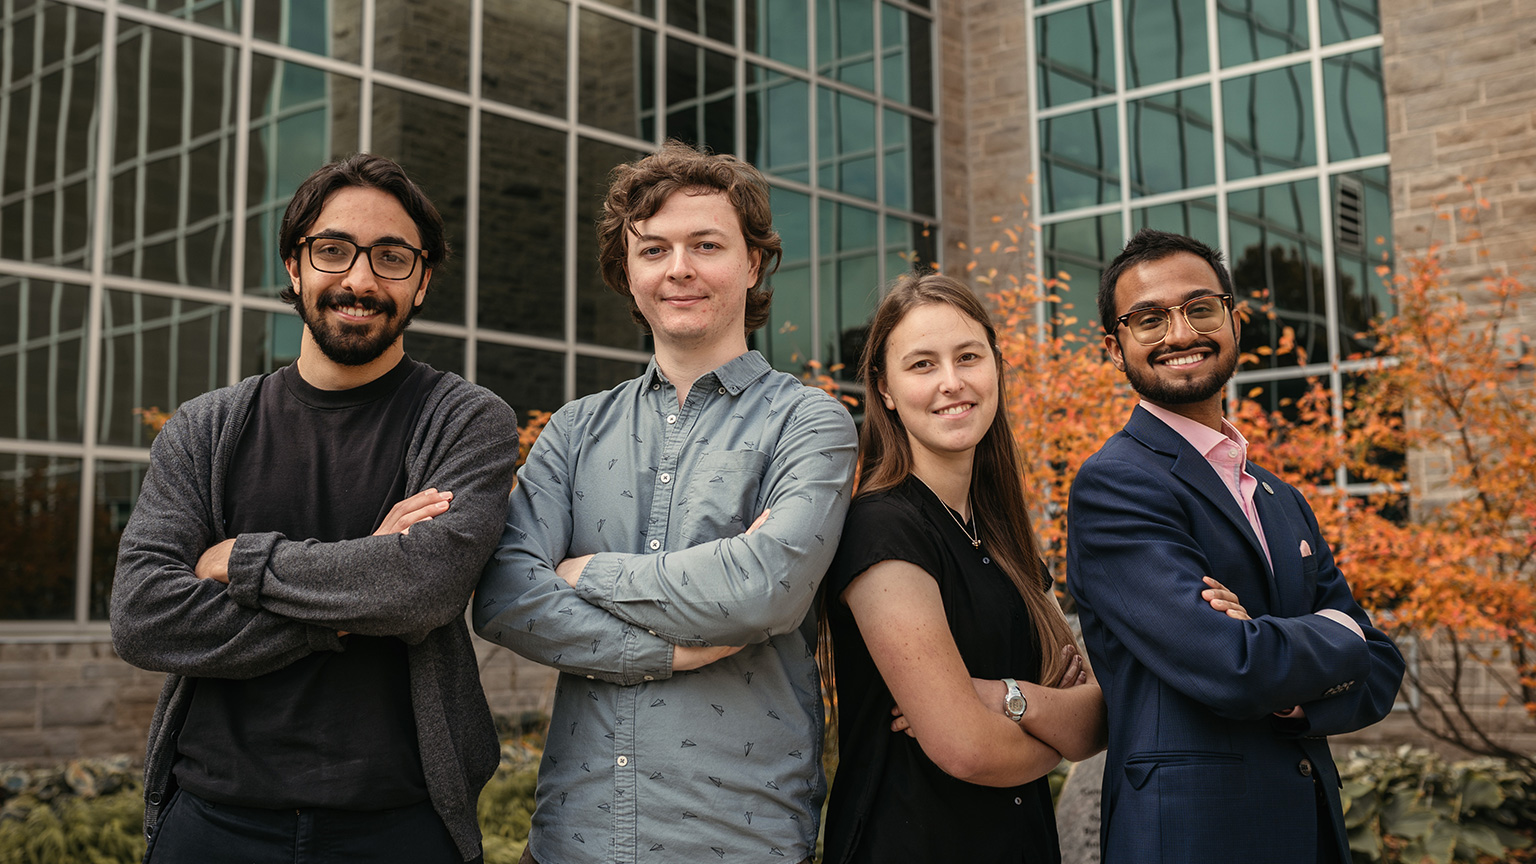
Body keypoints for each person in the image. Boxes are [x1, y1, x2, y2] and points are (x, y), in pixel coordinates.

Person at [111, 153, 520, 864]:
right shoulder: (205, 429)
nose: (359, 280)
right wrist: (357, 598)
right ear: (296, 267)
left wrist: (238, 559)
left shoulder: (465, 420)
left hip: (400, 827)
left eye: (391, 257)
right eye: (333, 251)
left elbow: (423, 589)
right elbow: (145, 616)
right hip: (212, 821)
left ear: (422, 281)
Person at [474, 141, 858, 864]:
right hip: (568, 842)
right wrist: (665, 651)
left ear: (753, 262)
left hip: (739, 843)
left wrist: (585, 574)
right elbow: (502, 595)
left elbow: (764, 591)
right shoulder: (573, 430)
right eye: (654, 249)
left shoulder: (810, 423)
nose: (678, 268)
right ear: (628, 272)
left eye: (705, 244)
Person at [1067, 228, 1405, 863]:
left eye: (1200, 308)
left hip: (1309, 835)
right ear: (1115, 348)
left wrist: (1295, 685)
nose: (1180, 333)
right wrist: (1339, 631)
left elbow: (1383, 667)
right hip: (1192, 837)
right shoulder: (1116, 484)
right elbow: (1232, 665)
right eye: (1149, 319)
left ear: (1232, 319)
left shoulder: (1279, 496)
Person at [819, 272, 1106, 864]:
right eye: (922, 365)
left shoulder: (1002, 534)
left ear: (996, 368)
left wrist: (1005, 698)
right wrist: (1049, 728)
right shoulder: (881, 527)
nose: (952, 383)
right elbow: (967, 749)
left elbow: (1097, 719)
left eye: (968, 357)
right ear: (886, 389)